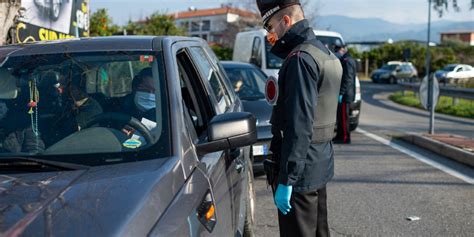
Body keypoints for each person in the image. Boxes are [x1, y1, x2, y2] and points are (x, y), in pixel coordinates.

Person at [256, 0, 342, 236]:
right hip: (319, 164)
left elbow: (299, 125)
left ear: (286, 21)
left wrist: (287, 179)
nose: (269, 36)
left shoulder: (299, 60)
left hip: (300, 174)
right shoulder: (323, 52)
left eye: (270, 27)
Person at [333, 43, 356, 144]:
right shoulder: (345, 60)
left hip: (345, 95)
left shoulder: (347, 61)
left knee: (343, 117)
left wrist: (341, 93)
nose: (337, 53)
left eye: (338, 51)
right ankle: (339, 135)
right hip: (344, 93)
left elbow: (347, 79)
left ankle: (345, 138)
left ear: (342, 50)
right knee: (340, 117)